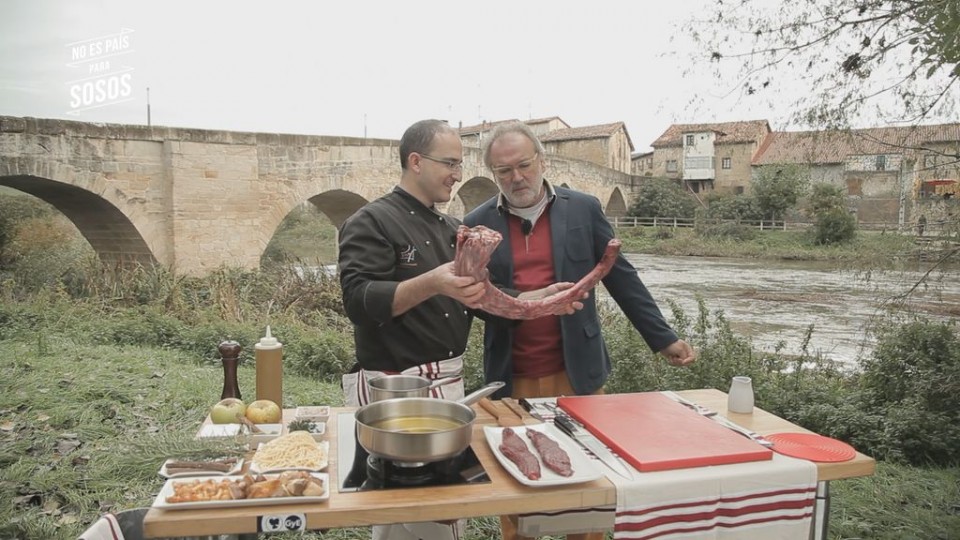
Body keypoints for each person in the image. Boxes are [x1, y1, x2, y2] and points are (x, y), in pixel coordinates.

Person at [464, 122, 697, 540]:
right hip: (511, 376)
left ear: (542, 161)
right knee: (518, 493)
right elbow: (475, 297)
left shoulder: (584, 209)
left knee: (587, 488)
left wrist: (663, 339)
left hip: (580, 374)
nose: (516, 177)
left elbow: (620, 276)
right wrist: (528, 299)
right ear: (493, 174)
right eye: (503, 171)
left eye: (523, 165)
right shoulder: (477, 224)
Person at [337, 118, 485, 540]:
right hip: (394, 392)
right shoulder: (370, 221)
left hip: (447, 387)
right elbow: (359, 302)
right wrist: (434, 281)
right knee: (413, 512)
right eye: (450, 163)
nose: (458, 175)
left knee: (431, 514)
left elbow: (481, 296)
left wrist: (538, 299)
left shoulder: (452, 229)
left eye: (460, 164)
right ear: (416, 161)